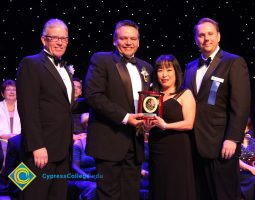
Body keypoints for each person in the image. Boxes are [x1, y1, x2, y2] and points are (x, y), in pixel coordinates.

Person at [183, 17, 251, 200]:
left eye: (210, 34)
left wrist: (232, 138)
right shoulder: (189, 67)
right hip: (194, 145)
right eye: (201, 35)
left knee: (225, 195)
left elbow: (241, 105)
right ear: (196, 39)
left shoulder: (233, 62)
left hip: (221, 144)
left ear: (218, 36)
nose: (206, 39)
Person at [84, 19, 153, 200]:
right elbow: (93, 95)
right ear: (115, 40)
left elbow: (150, 102)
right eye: (124, 38)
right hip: (109, 140)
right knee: (108, 194)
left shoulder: (147, 67)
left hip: (135, 143)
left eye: (132, 38)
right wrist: (125, 117)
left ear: (138, 42)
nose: (128, 42)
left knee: (131, 194)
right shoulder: (101, 59)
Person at [16, 18, 74, 200]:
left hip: (63, 151)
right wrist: (36, 146)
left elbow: (64, 105)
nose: (59, 42)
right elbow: (28, 108)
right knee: (31, 195)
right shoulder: (30, 63)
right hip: (40, 151)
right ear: (43, 40)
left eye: (63, 38)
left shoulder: (65, 68)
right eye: (54, 37)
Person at [145, 54, 196, 200]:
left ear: (176, 72)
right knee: (159, 185)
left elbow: (189, 123)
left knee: (176, 187)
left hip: (177, 148)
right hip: (156, 147)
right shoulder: (152, 96)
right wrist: (147, 127)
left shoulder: (185, 93)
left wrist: (166, 125)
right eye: (160, 70)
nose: (164, 74)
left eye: (169, 70)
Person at [0, 79, 21, 175]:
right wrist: (6, 136)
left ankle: (20, 187)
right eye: (8, 89)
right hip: (2, 143)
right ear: (2, 93)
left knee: (21, 170)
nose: (12, 92)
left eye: (14, 89)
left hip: (19, 142)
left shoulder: (23, 107)